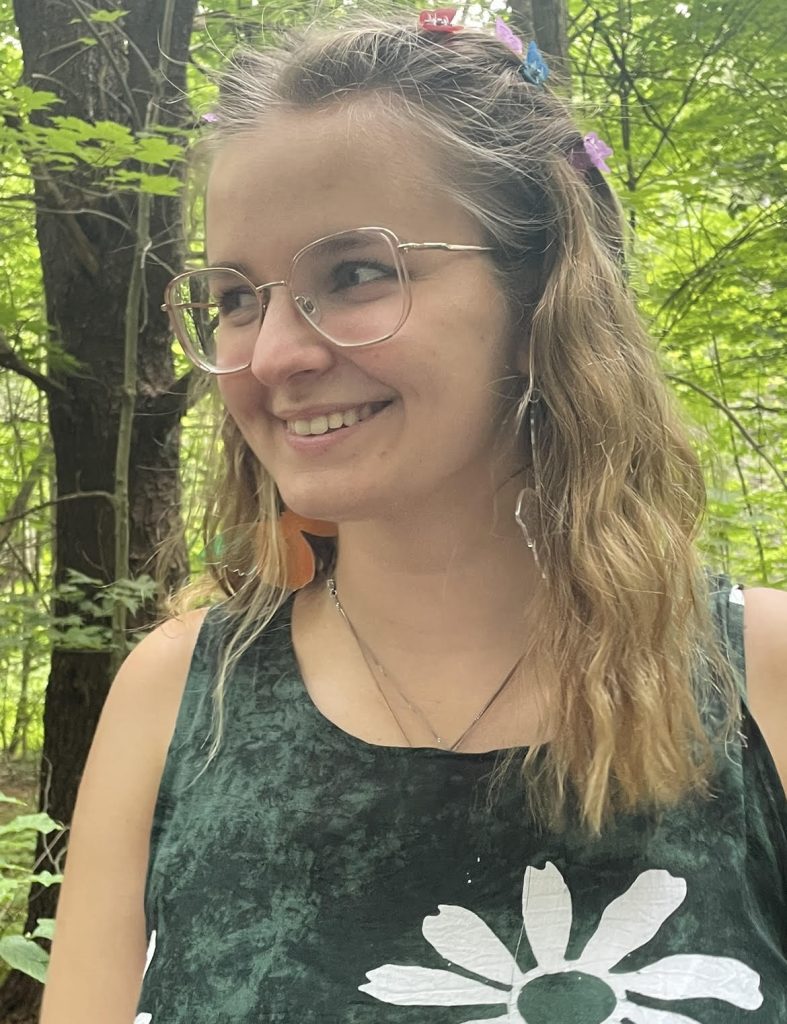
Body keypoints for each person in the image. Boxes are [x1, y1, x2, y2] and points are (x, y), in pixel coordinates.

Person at [40, 10, 786, 1024]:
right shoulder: (177, 705)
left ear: (537, 297)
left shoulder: (761, 681)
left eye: (353, 275)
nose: (270, 357)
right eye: (233, 296)